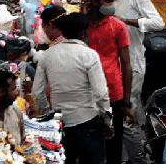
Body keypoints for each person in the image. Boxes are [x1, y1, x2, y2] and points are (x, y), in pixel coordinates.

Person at [99, 0, 162, 149]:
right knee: (127, 107)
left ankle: (135, 154)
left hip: (133, 61)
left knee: (128, 105)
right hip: (112, 63)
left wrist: (126, 23)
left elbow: (158, 23)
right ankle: (142, 147)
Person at [33, 12, 113, 164]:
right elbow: (101, 94)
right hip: (87, 121)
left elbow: (37, 93)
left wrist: (47, 116)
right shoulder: (89, 55)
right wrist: (107, 121)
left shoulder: (46, 56)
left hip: (59, 123)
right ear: (83, 32)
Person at [82, 0, 133, 164]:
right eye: (108, 1)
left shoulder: (118, 27)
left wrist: (127, 102)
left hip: (114, 94)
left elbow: (127, 65)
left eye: (113, 0)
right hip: (86, 95)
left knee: (113, 147)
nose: (112, 5)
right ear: (94, 1)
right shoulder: (81, 27)